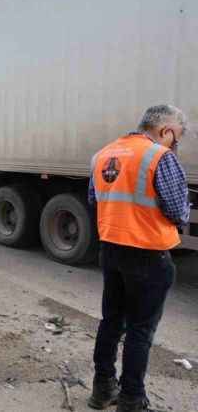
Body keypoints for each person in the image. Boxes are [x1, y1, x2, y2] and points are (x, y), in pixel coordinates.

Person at [87, 105, 189, 412]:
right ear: (166, 131)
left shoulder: (102, 154)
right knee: (140, 329)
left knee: (111, 321)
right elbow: (177, 210)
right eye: (176, 138)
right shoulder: (159, 156)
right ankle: (132, 399)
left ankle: (102, 389)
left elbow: (95, 201)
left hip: (112, 249)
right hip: (148, 253)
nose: (175, 145)